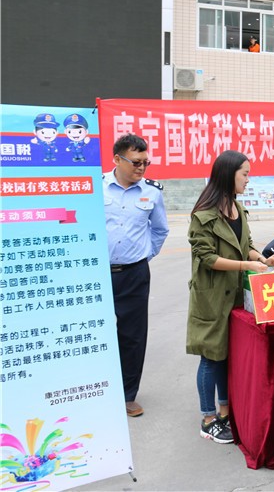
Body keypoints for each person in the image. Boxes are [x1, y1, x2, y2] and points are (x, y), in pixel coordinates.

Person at [186, 150, 274, 444]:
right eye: (245, 174)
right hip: (212, 296)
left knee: (228, 355)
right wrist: (246, 265)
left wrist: (263, 259)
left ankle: (225, 412)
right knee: (211, 356)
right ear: (229, 175)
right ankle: (208, 418)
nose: (248, 180)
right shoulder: (203, 215)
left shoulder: (238, 208)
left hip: (236, 295)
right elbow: (207, 258)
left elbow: (246, 245)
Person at [103, 134, 170, 417]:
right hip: (98, 274)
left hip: (134, 274)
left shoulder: (151, 192)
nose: (141, 168)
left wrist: (144, 255)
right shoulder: (96, 187)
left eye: (146, 162)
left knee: (132, 336)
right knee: (98, 333)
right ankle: (98, 390)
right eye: (136, 162)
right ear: (117, 159)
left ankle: (128, 394)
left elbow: (160, 230)